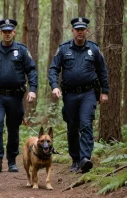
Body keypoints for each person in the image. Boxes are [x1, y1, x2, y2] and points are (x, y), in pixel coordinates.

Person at [0, 19, 38, 173]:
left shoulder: (22, 51)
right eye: (4, 32)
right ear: (0, 33)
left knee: (13, 128)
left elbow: (31, 70)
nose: (7, 34)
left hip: (16, 96)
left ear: (14, 32)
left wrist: (33, 89)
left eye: (10, 32)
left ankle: (11, 160)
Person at [49, 17, 109, 173]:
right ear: (72, 31)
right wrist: (54, 86)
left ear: (87, 31)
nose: (80, 32)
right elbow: (54, 69)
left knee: (86, 123)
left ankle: (85, 159)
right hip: (69, 95)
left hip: (89, 93)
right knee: (72, 127)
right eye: (78, 29)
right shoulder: (63, 49)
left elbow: (102, 70)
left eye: (83, 29)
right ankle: (75, 159)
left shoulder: (94, 49)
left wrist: (105, 91)